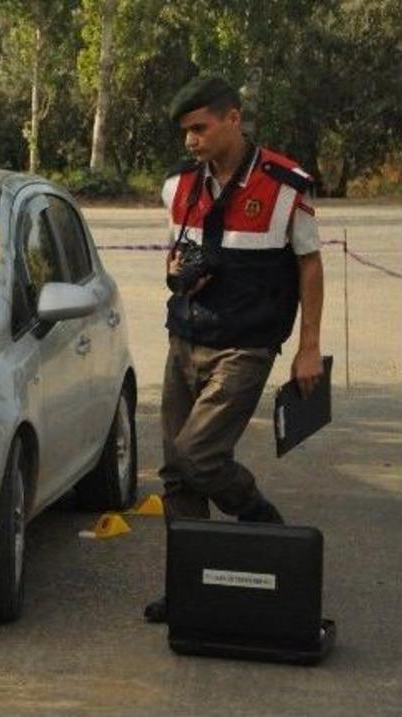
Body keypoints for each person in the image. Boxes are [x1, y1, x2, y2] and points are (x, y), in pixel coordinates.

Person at [145, 77, 325, 623]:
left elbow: (309, 264)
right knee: (176, 474)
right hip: (185, 338)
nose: (191, 141)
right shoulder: (178, 185)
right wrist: (178, 275)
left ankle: (261, 521)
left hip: (246, 344)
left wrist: (309, 346)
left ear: (232, 119)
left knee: (198, 455)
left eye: (199, 128)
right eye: (185, 132)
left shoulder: (284, 182)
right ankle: (186, 589)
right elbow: (175, 260)